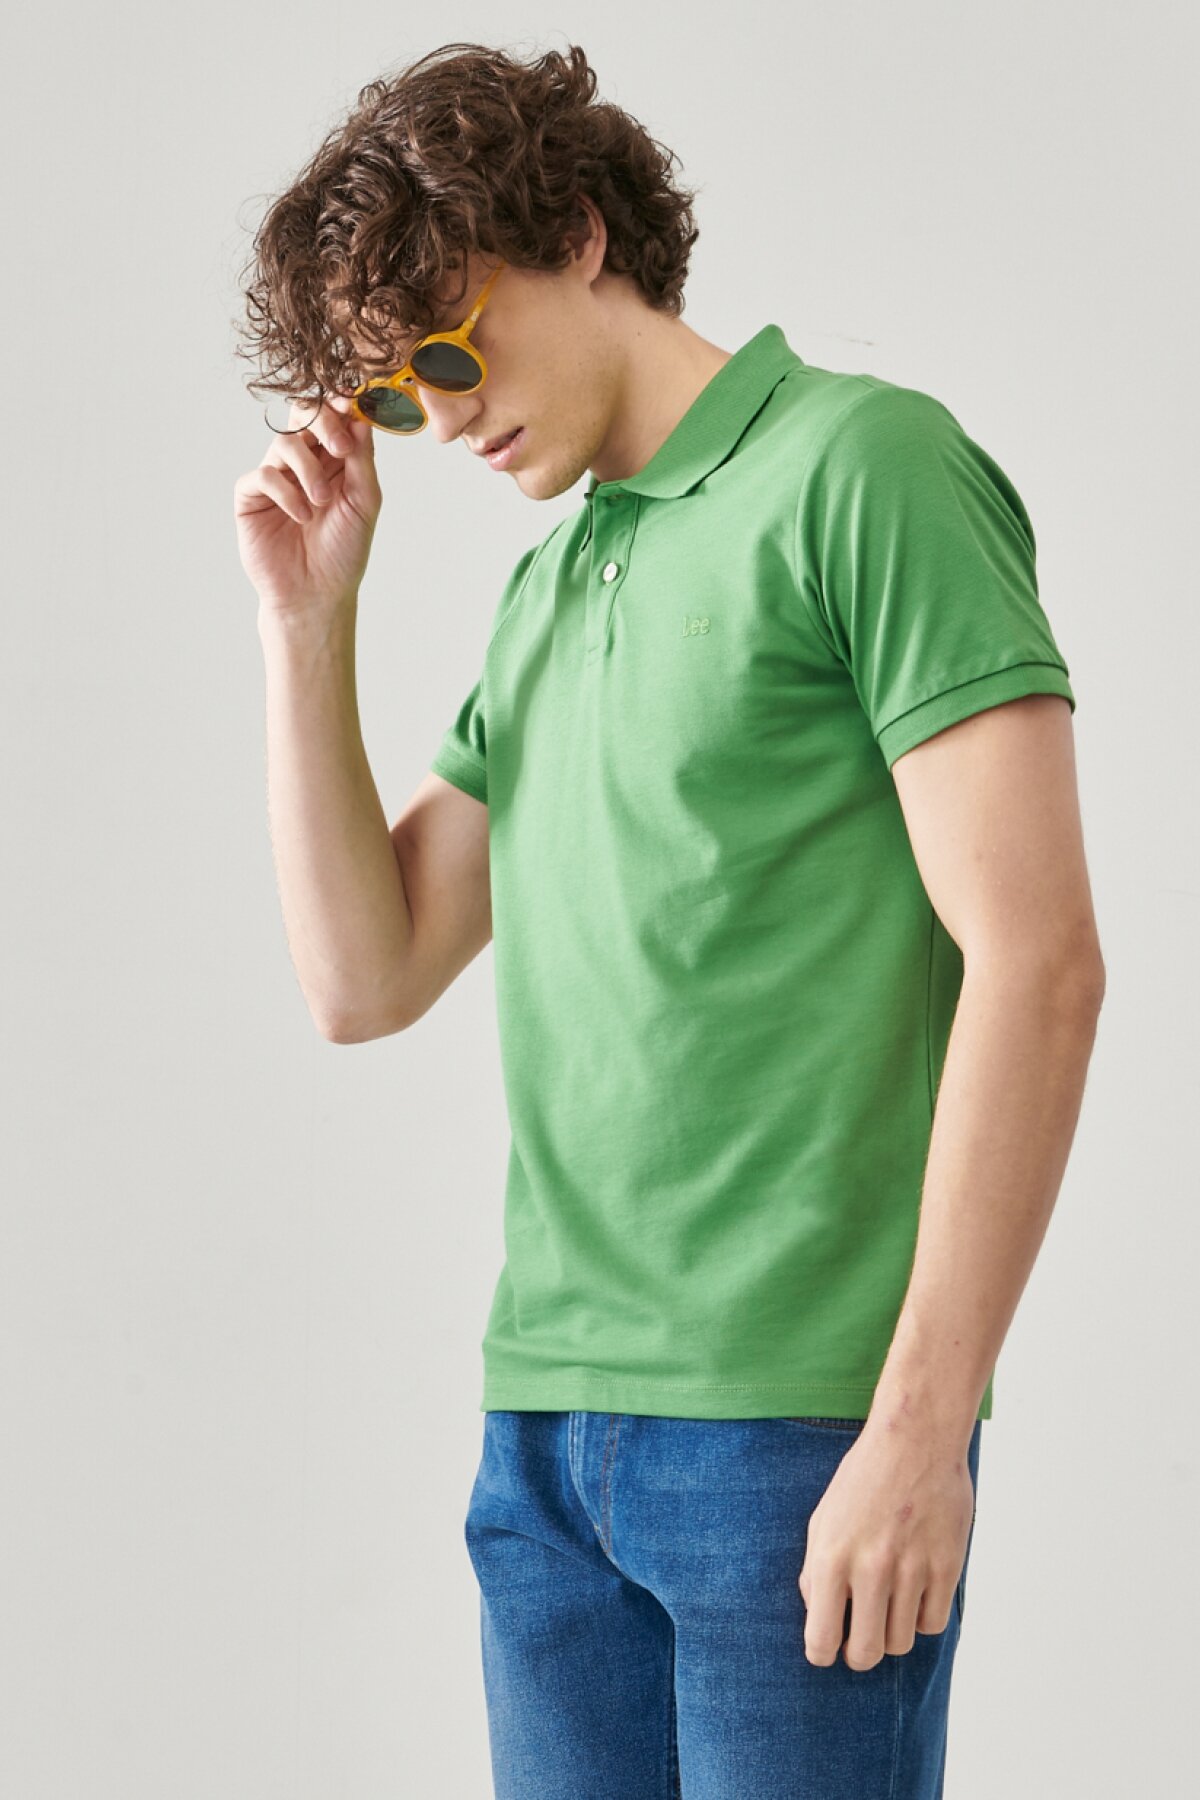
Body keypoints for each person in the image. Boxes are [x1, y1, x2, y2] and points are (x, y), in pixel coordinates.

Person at [232, 40, 1105, 1800]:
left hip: (795, 1432)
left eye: (451, 349)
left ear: (577, 233)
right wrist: (306, 629)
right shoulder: (550, 589)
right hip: (546, 1444)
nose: (442, 420)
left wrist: (922, 1425)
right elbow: (361, 976)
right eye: (396, 395)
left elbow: (1040, 962)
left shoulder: (866, 469)